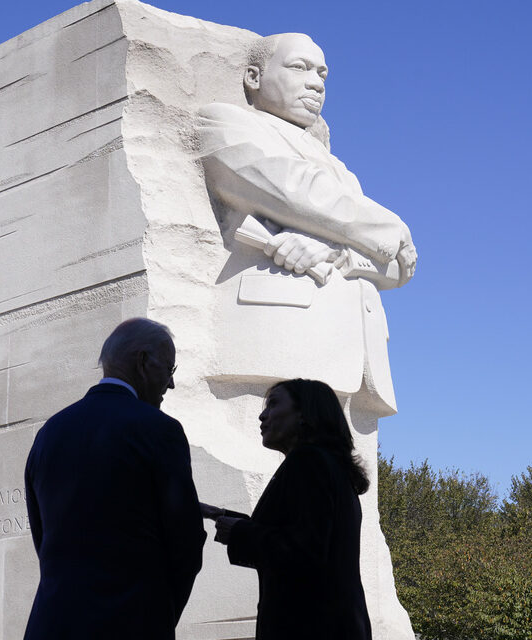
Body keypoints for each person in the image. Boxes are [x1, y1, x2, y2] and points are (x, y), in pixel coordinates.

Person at [198, 32, 417, 414]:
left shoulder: (341, 170)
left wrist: (337, 251)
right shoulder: (224, 121)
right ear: (253, 77)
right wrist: (392, 226)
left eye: (322, 74)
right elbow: (294, 190)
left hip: (356, 355)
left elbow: (401, 267)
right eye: (299, 68)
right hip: (277, 336)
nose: (316, 83)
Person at [23, 318, 206, 640]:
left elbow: (42, 536)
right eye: (170, 370)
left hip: (51, 623)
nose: (171, 385)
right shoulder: (159, 429)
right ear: (143, 362)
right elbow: (186, 545)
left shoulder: (49, 432)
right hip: (131, 622)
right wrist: (159, 616)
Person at [203, 379, 374, 640]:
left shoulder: (308, 462)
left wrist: (239, 532)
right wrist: (223, 518)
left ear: (304, 414)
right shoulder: (331, 468)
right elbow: (300, 535)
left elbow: (305, 551)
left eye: (273, 404)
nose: (262, 415)